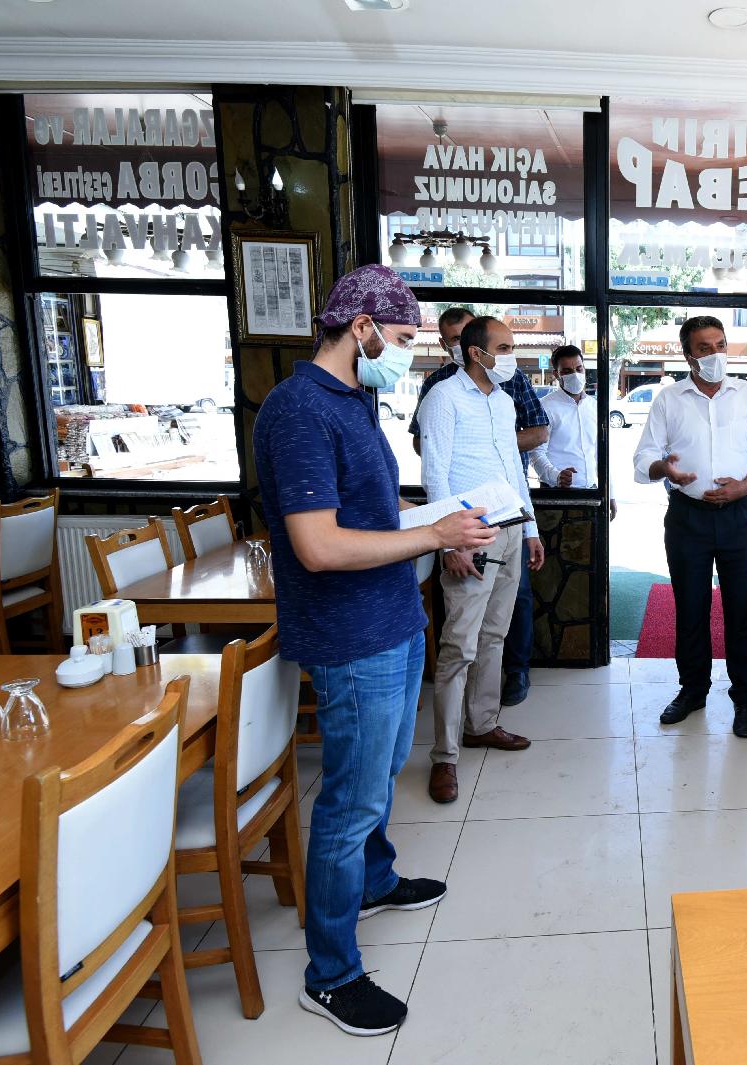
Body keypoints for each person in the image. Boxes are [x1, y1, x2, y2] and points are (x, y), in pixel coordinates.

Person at [254, 264, 497, 1036]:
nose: (406, 353)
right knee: (349, 799)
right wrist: (432, 534)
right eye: (399, 338)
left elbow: (368, 506)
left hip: (391, 618)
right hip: (349, 633)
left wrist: (438, 517)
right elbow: (319, 545)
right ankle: (330, 973)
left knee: (383, 770)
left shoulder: (353, 400)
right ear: (360, 327)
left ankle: (375, 880)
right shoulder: (299, 411)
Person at [633, 315, 747, 738]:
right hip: (688, 518)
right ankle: (693, 691)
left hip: (739, 517)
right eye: (704, 348)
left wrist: (745, 485)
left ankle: (744, 697)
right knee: (691, 608)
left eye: (720, 345)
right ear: (688, 355)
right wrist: (665, 469)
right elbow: (643, 458)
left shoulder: (746, 394)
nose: (715, 354)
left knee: (743, 609)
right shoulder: (669, 399)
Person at [419, 315, 544, 804]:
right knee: (459, 646)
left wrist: (530, 528)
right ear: (476, 353)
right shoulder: (443, 398)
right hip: (470, 534)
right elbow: (435, 473)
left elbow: (514, 468)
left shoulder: (503, 400)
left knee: (494, 636)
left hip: (510, 528)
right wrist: (450, 543)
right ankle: (444, 755)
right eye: (505, 348)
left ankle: (482, 724)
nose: (512, 356)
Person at [533, 344, 616, 520]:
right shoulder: (545, 407)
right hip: (555, 495)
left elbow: (601, 454)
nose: (575, 375)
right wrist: (556, 476)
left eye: (579, 369)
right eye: (567, 371)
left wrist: (610, 493)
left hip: (592, 493)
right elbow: (536, 453)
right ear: (556, 374)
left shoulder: (595, 407)